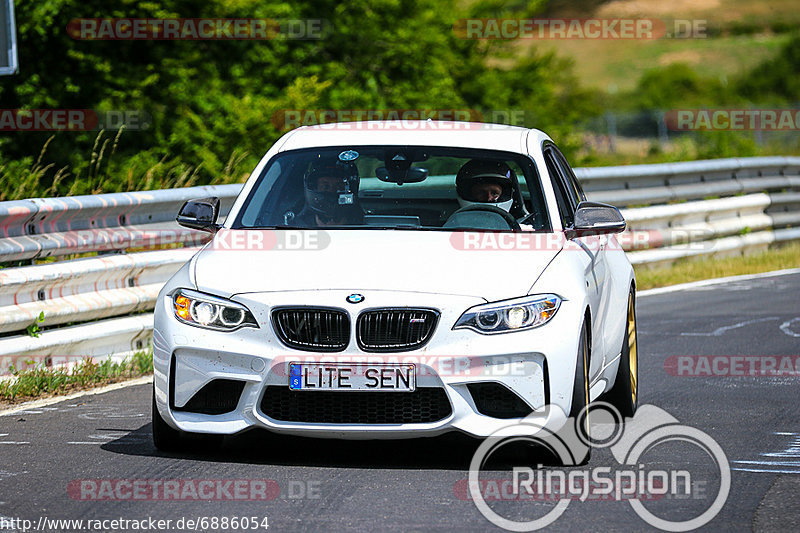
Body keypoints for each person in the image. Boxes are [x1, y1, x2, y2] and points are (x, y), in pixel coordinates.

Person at [293, 163, 364, 227]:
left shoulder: (362, 223)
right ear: (314, 188)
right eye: (325, 187)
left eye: (339, 186)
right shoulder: (296, 225)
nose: (332, 191)